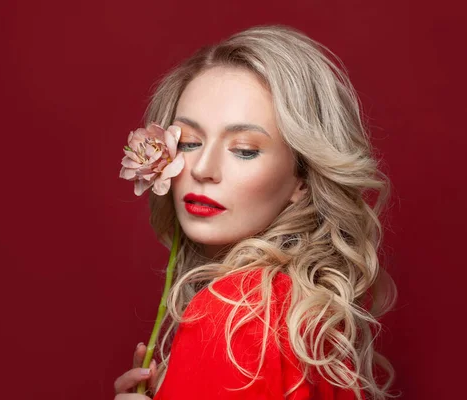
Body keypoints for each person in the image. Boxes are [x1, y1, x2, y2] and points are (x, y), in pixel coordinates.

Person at [114, 24, 397, 400]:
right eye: (190, 142)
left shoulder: (232, 317)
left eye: (244, 149)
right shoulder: (297, 316)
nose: (202, 169)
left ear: (302, 178)